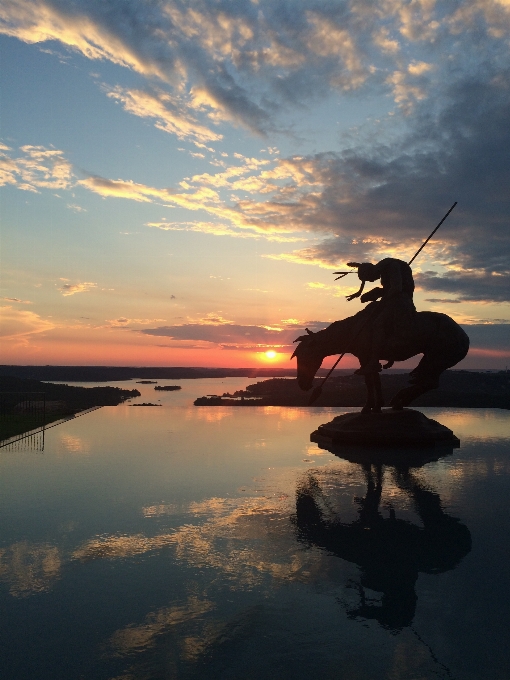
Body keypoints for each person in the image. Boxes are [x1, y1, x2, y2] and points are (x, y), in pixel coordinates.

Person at [340, 258, 416, 375]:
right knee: (369, 315)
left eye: (370, 279)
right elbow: (388, 289)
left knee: (378, 323)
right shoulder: (385, 270)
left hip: (401, 301)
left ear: (371, 271)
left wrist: (382, 298)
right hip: (394, 300)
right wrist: (374, 294)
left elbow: (397, 288)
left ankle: (374, 361)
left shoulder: (392, 266)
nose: (373, 280)